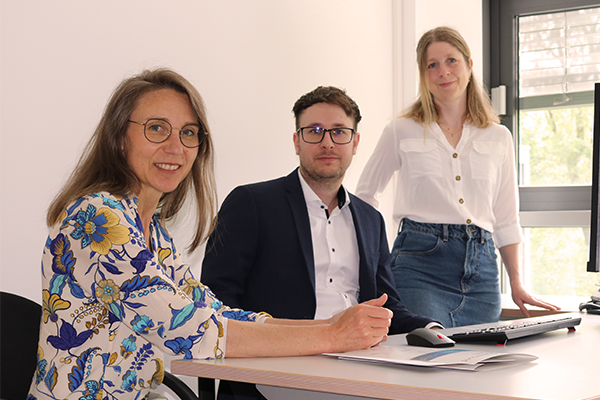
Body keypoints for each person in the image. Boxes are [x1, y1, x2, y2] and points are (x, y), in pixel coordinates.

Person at [28, 70, 393, 400]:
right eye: (157, 128)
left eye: (188, 133)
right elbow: (190, 328)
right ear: (120, 137)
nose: (176, 147)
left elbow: (213, 310)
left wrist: (332, 324)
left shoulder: (153, 231)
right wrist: (332, 336)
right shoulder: (98, 219)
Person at [201, 86, 440, 399]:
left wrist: (434, 330)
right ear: (296, 142)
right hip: (279, 369)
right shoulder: (252, 203)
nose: (327, 142)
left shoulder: (370, 219)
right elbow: (215, 300)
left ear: (355, 143)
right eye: (314, 131)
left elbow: (388, 305)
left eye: (339, 132)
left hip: (360, 365)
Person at [355, 26, 559, 328]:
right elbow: (365, 197)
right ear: (424, 75)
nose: (443, 72)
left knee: (478, 367)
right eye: (432, 65)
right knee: (425, 361)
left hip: (482, 271)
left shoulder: (499, 137)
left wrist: (516, 283)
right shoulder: (401, 130)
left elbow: (505, 218)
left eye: (451, 61)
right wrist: (374, 264)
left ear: (469, 65)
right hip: (418, 265)